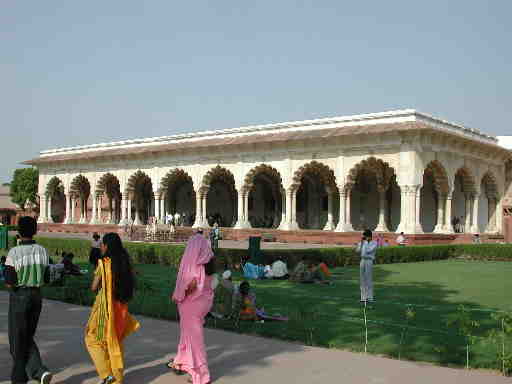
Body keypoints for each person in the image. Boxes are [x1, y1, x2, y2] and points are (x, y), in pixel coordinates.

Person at [85, 232, 140, 384]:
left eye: (102, 244)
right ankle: (117, 379)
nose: (101, 246)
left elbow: (94, 287)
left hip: (105, 309)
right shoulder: (126, 264)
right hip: (121, 308)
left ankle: (106, 375)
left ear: (107, 246)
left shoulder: (104, 264)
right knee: (115, 342)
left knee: (93, 339)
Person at [4, 216, 53, 384]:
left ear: (18, 231)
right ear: (35, 231)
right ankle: (27, 374)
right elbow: (47, 277)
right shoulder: (42, 251)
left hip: (20, 296)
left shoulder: (14, 252)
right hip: (37, 297)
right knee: (26, 336)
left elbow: (9, 282)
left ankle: (35, 372)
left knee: (17, 338)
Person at [169, 232, 215, 384]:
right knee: (187, 336)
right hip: (202, 304)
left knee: (194, 340)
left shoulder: (195, 266)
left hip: (192, 306)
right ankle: (182, 362)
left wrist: (179, 294)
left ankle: (202, 376)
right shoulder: (207, 263)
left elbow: (190, 287)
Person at [356, 229, 378, 303]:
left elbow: (369, 251)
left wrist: (364, 245)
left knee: (368, 278)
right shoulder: (363, 242)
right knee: (362, 279)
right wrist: (362, 243)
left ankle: (370, 297)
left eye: (366, 236)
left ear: (370, 236)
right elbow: (358, 251)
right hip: (362, 261)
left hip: (369, 261)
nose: (365, 238)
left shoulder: (374, 243)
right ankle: (363, 297)